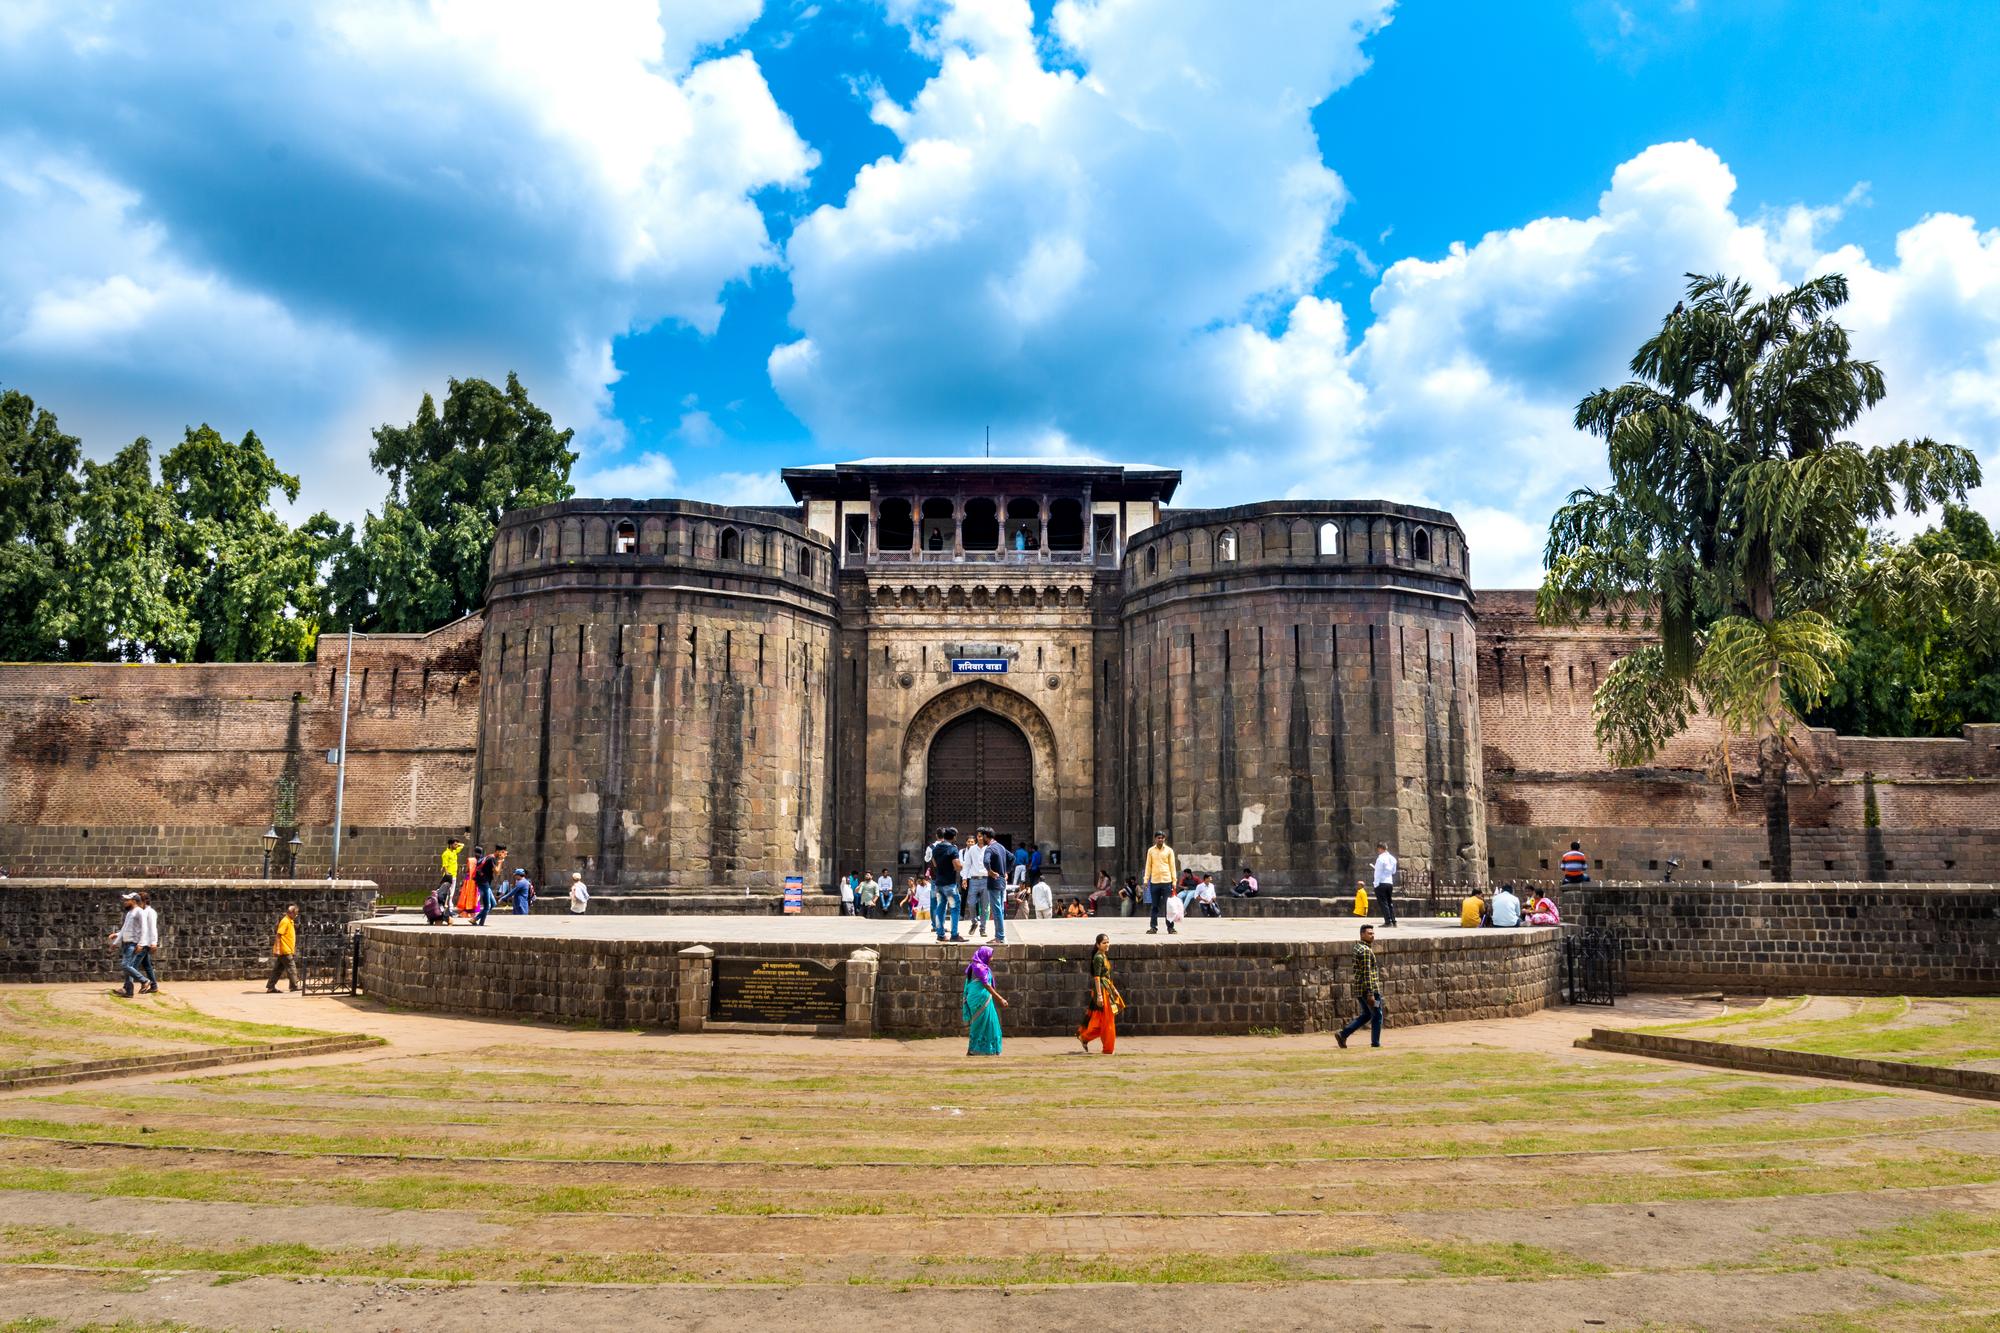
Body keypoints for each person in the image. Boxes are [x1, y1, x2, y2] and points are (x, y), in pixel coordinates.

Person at [1336, 924, 1384, 1049]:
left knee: (1367, 1014)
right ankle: (1375, 1043)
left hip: (1359, 989)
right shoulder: (1365, 951)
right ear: (1362, 934)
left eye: (1373, 933)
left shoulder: (1358, 947)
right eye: (1369, 933)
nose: (1372, 936)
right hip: (1370, 990)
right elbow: (1367, 972)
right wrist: (1370, 993)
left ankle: (1343, 1034)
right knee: (1377, 1013)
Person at [1077, 934, 1121, 1054]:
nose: (1107, 945)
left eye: (1108, 942)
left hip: (1107, 987)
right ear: (1098, 945)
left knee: (1102, 1021)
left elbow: (1107, 976)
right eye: (1104, 943)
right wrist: (1100, 995)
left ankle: (1085, 1037)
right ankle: (1108, 1049)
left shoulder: (1103, 956)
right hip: (1101, 989)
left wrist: (1114, 989)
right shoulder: (1098, 957)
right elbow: (1097, 977)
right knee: (1108, 1020)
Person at [962, 945, 1007, 1056]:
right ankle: (974, 1049)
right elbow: (986, 985)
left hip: (978, 998)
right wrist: (1000, 999)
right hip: (979, 999)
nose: (992, 959)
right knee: (982, 1024)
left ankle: (985, 1049)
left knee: (989, 1023)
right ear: (985, 956)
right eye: (990, 956)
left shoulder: (976, 965)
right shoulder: (978, 967)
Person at [929, 826, 965, 943]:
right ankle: (954, 935)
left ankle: (940, 934)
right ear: (954, 837)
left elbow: (934, 863)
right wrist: (963, 865)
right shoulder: (953, 849)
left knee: (940, 908)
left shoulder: (936, 848)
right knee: (955, 908)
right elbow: (957, 866)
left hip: (938, 883)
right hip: (949, 884)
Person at [108, 893, 146, 997]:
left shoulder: (140, 912)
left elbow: (144, 929)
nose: (124, 902)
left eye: (127, 900)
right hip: (126, 943)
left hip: (133, 943)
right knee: (127, 968)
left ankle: (144, 981)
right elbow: (125, 929)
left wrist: (141, 944)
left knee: (125, 965)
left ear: (133, 901)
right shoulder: (130, 913)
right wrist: (116, 940)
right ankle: (129, 992)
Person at [1145, 831, 1178, 935]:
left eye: (1162, 838)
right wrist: (1146, 880)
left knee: (1168, 906)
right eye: (1158, 838)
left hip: (1166, 881)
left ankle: (1170, 928)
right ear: (1155, 839)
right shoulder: (1151, 851)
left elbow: (1172, 866)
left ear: (1164, 839)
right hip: (1154, 881)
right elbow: (1148, 866)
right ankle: (1153, 927)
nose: (1160, 840)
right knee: (1154, 906)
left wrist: (1174, 881)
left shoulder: (1169, 851)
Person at [979, 830, 1009, 943]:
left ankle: (1000, 937)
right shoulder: (1001, 847)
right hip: (1001, 881)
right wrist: (1006, 871)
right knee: (999, 909)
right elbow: (1011, 857)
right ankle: (999, 935)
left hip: (994, 882)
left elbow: (986, 861)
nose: (981, 839)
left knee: (996, 910)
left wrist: (990, 872)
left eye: (982, 837)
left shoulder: (990, 848)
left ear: (986, 837)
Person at [265, 904, 301, 993]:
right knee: (291, 968)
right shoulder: (285, 921)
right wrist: (277, 949)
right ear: (291, 913)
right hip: (285, 950)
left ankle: (271, 987)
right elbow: (278, 935)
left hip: (286, 949)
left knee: (278, 969)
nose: (296, 915)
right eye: (296, 913)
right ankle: (294, 986)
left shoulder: (290, 921)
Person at [135, 890, 160, 992]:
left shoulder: (150, 912)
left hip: (145, 943)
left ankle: (131, 986)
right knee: (147, 965)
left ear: (144, 901)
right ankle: (153, 986)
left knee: (132, 966)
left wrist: (154, 942)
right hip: (144, 942)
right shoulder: (143, 912)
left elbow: (153, 928)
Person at [1371, 841, 1399, 927]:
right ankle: (1393, 921)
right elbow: (1393, 871)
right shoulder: (1393, 858)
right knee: (1389, 902)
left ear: (1380, 849)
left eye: (1378, 849)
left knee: (1383, 903)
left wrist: (1375, 884)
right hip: (1389, 882)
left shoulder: (1380, 858)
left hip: (1381, 882)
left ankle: (1388, 921)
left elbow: (1378, 872)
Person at [438, 837, 462, 901]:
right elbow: (445, 865)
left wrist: (457, 843)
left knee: (451, 893)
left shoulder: (454, 851)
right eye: (455, 844)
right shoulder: (446, 853)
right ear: (450, 845)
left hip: (454, 875)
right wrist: (447, 874)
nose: (457, 846)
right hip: (449, 875)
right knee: (447, 892)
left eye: (457, 844)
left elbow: (462, 845)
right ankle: (445, 907)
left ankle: (449, 908)